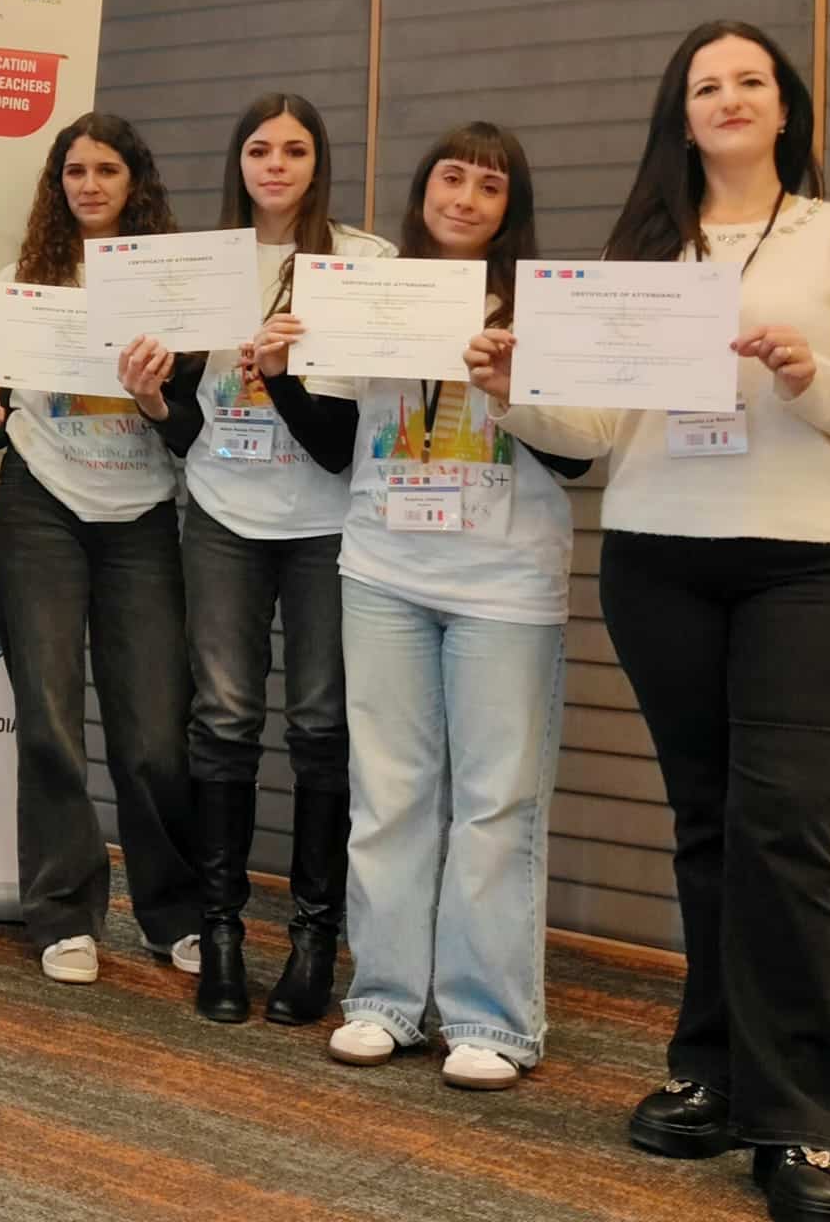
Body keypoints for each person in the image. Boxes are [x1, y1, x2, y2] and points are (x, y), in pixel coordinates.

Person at [469, 22, 830, 1221]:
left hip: (814, 566)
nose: (727, 97)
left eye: (749, 81)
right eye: (704, 84)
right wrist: (512, 392)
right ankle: (711, 1073)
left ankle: (802, 1123)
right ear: (679, 113)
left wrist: (806, 376)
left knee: (784, 828)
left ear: (784, 107)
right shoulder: (637, 254)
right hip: (659, 560)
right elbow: (590, 435)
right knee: (708, 824)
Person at [292, 123, 592, 1089]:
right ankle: (384, 1000)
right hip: (384, 570)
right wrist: (284, 365)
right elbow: (332, 438)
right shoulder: (374, 291)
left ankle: (490, 1019)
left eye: (489, 186)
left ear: (512, 207)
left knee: (497, 804)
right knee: (388, 795)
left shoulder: (541, 305)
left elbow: (584, 451)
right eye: (451, 178)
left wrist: (511, 387)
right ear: (422, 190)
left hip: (505, 586)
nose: (465, 198)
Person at [144, 93, 394, 1024]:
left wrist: (285, 380)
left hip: (330, 521)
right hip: (221, 512)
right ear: (239, 163)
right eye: (259, 149)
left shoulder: (363, 263)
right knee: (224, 722)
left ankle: (314, 942)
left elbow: (342, 439)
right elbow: (185, 427)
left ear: (319, 160)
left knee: (323, 726)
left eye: (294, 150)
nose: (276, 166)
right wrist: (149, 398)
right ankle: (221, 936)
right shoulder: (199, 265)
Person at [0, 112, 199, 985]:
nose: (89, 185)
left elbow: (194, 430)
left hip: (142, 515)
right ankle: (63, 913)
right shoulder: (21, 284)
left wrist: (156, 397)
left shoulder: (171, 291)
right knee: (50, 721)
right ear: (56, 185)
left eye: (106, 170)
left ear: (136, 183)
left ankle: (173, 913)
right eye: (74, 171)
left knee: (155, 732)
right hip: (40, 508)